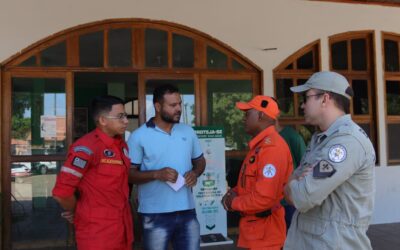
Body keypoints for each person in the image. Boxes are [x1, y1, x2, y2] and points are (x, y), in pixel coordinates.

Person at [283, 71, 376, 250]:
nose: (302, 105)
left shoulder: (346, 143)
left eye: (306, 97)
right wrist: (296, 182)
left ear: (325, 99)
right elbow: (294, 183)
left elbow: (302, 196)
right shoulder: (321, 139)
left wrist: (294, 184)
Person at [127, 84, 206, 250]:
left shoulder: (188, 131)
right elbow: (128, 175)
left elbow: (200, 161)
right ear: (157, 106)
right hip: (154, 214)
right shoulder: (138, 136)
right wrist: (156, 174)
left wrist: (195, 173)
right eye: (172, 105)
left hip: (187, 210)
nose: (178, 109)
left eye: (179, 104)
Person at [52, 95, 134, 250]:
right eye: (120, 116)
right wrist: (77, 210)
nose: (126, 121)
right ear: (103, 120)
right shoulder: (86, 148)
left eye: (126, 116)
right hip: (97, 233)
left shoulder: (121, 146)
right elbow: (62, 192)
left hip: (123, 226)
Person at [221, 95, 293, 250]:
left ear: (261, 115)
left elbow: (264, 198)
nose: (243, 118)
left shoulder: (271, 149)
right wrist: (232, 193)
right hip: (255, 232)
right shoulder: (260, 146)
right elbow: (249, 184)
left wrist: (233, 202)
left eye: (247, 113)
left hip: (265, 236)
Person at [275, 108, 306, 230]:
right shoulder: (261, 140)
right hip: (269, 202)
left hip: (288, 203)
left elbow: (304, 165)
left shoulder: (292, 137)